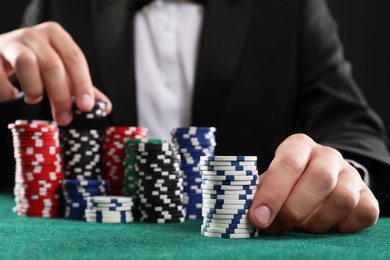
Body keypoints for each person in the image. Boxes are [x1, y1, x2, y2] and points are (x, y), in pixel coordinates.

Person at [0, 0, 389, 235]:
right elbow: (17, 147)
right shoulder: (60, 6)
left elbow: (351, 125)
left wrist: (342, 171)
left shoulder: (291, 7)